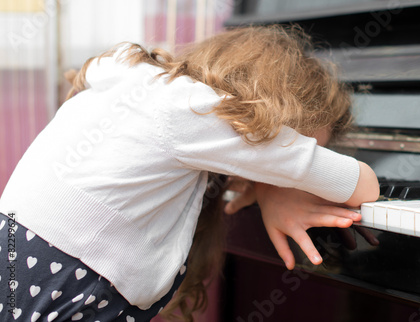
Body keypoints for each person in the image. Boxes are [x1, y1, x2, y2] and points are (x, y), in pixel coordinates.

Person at [0, 25, 379, 322]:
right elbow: (365, 185)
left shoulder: (139, 82)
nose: (300, 160)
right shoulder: (199, 110)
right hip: (60, 284)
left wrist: (270, 180)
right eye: (304, 145)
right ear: (280, 113)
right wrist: (276, 181)